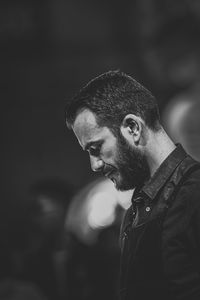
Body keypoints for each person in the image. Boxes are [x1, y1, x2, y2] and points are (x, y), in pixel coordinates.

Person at [65, 70, 200, 300]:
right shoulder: (135, 211)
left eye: (96, 148)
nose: (94, 165)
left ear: (132, 128)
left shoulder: (195, 194)